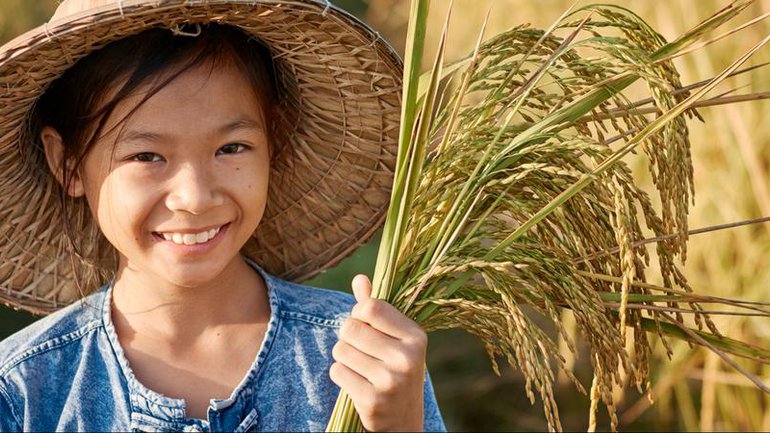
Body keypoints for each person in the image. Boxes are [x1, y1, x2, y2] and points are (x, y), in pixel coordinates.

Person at [0, 0, 445, 431]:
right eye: (146, 155)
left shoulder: (363, 358)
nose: (194, 197)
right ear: (68, 164)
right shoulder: (23, 392)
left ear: (275, 138)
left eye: (230, 148)